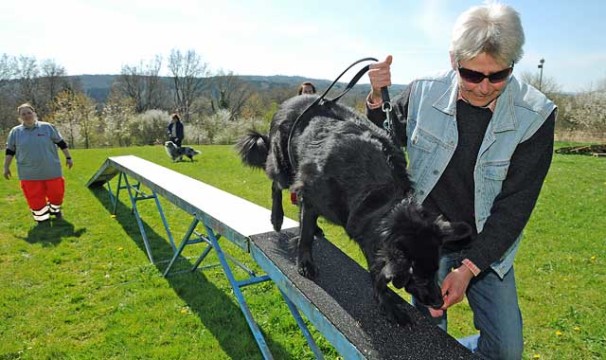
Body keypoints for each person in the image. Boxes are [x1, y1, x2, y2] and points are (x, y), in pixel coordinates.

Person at [366, 3, 556, 359]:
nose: (484, 88)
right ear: (454, 59)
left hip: (487, 243)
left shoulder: (536, 115)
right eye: (472, 75)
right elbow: (384, 146)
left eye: (498, 76)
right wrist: (377, 101)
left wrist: (469, 268)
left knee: (506, 351)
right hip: (428, 242)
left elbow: (515, 206)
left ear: (514, 63)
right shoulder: (422, 92)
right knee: (427, 339)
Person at [4, 103, 74, 225]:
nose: (27, 116)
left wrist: (68, 157)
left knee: (57, 194)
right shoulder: (15, 132)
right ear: (20, 117)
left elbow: (61, 143)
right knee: (34, 197)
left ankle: (54, 210)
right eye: (23, 114)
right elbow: (10, 151)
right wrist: (6, 167)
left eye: (29, 112)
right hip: (29, 173)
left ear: (34, 113)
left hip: (52, 170)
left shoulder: (47, 127)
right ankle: (42, 218)